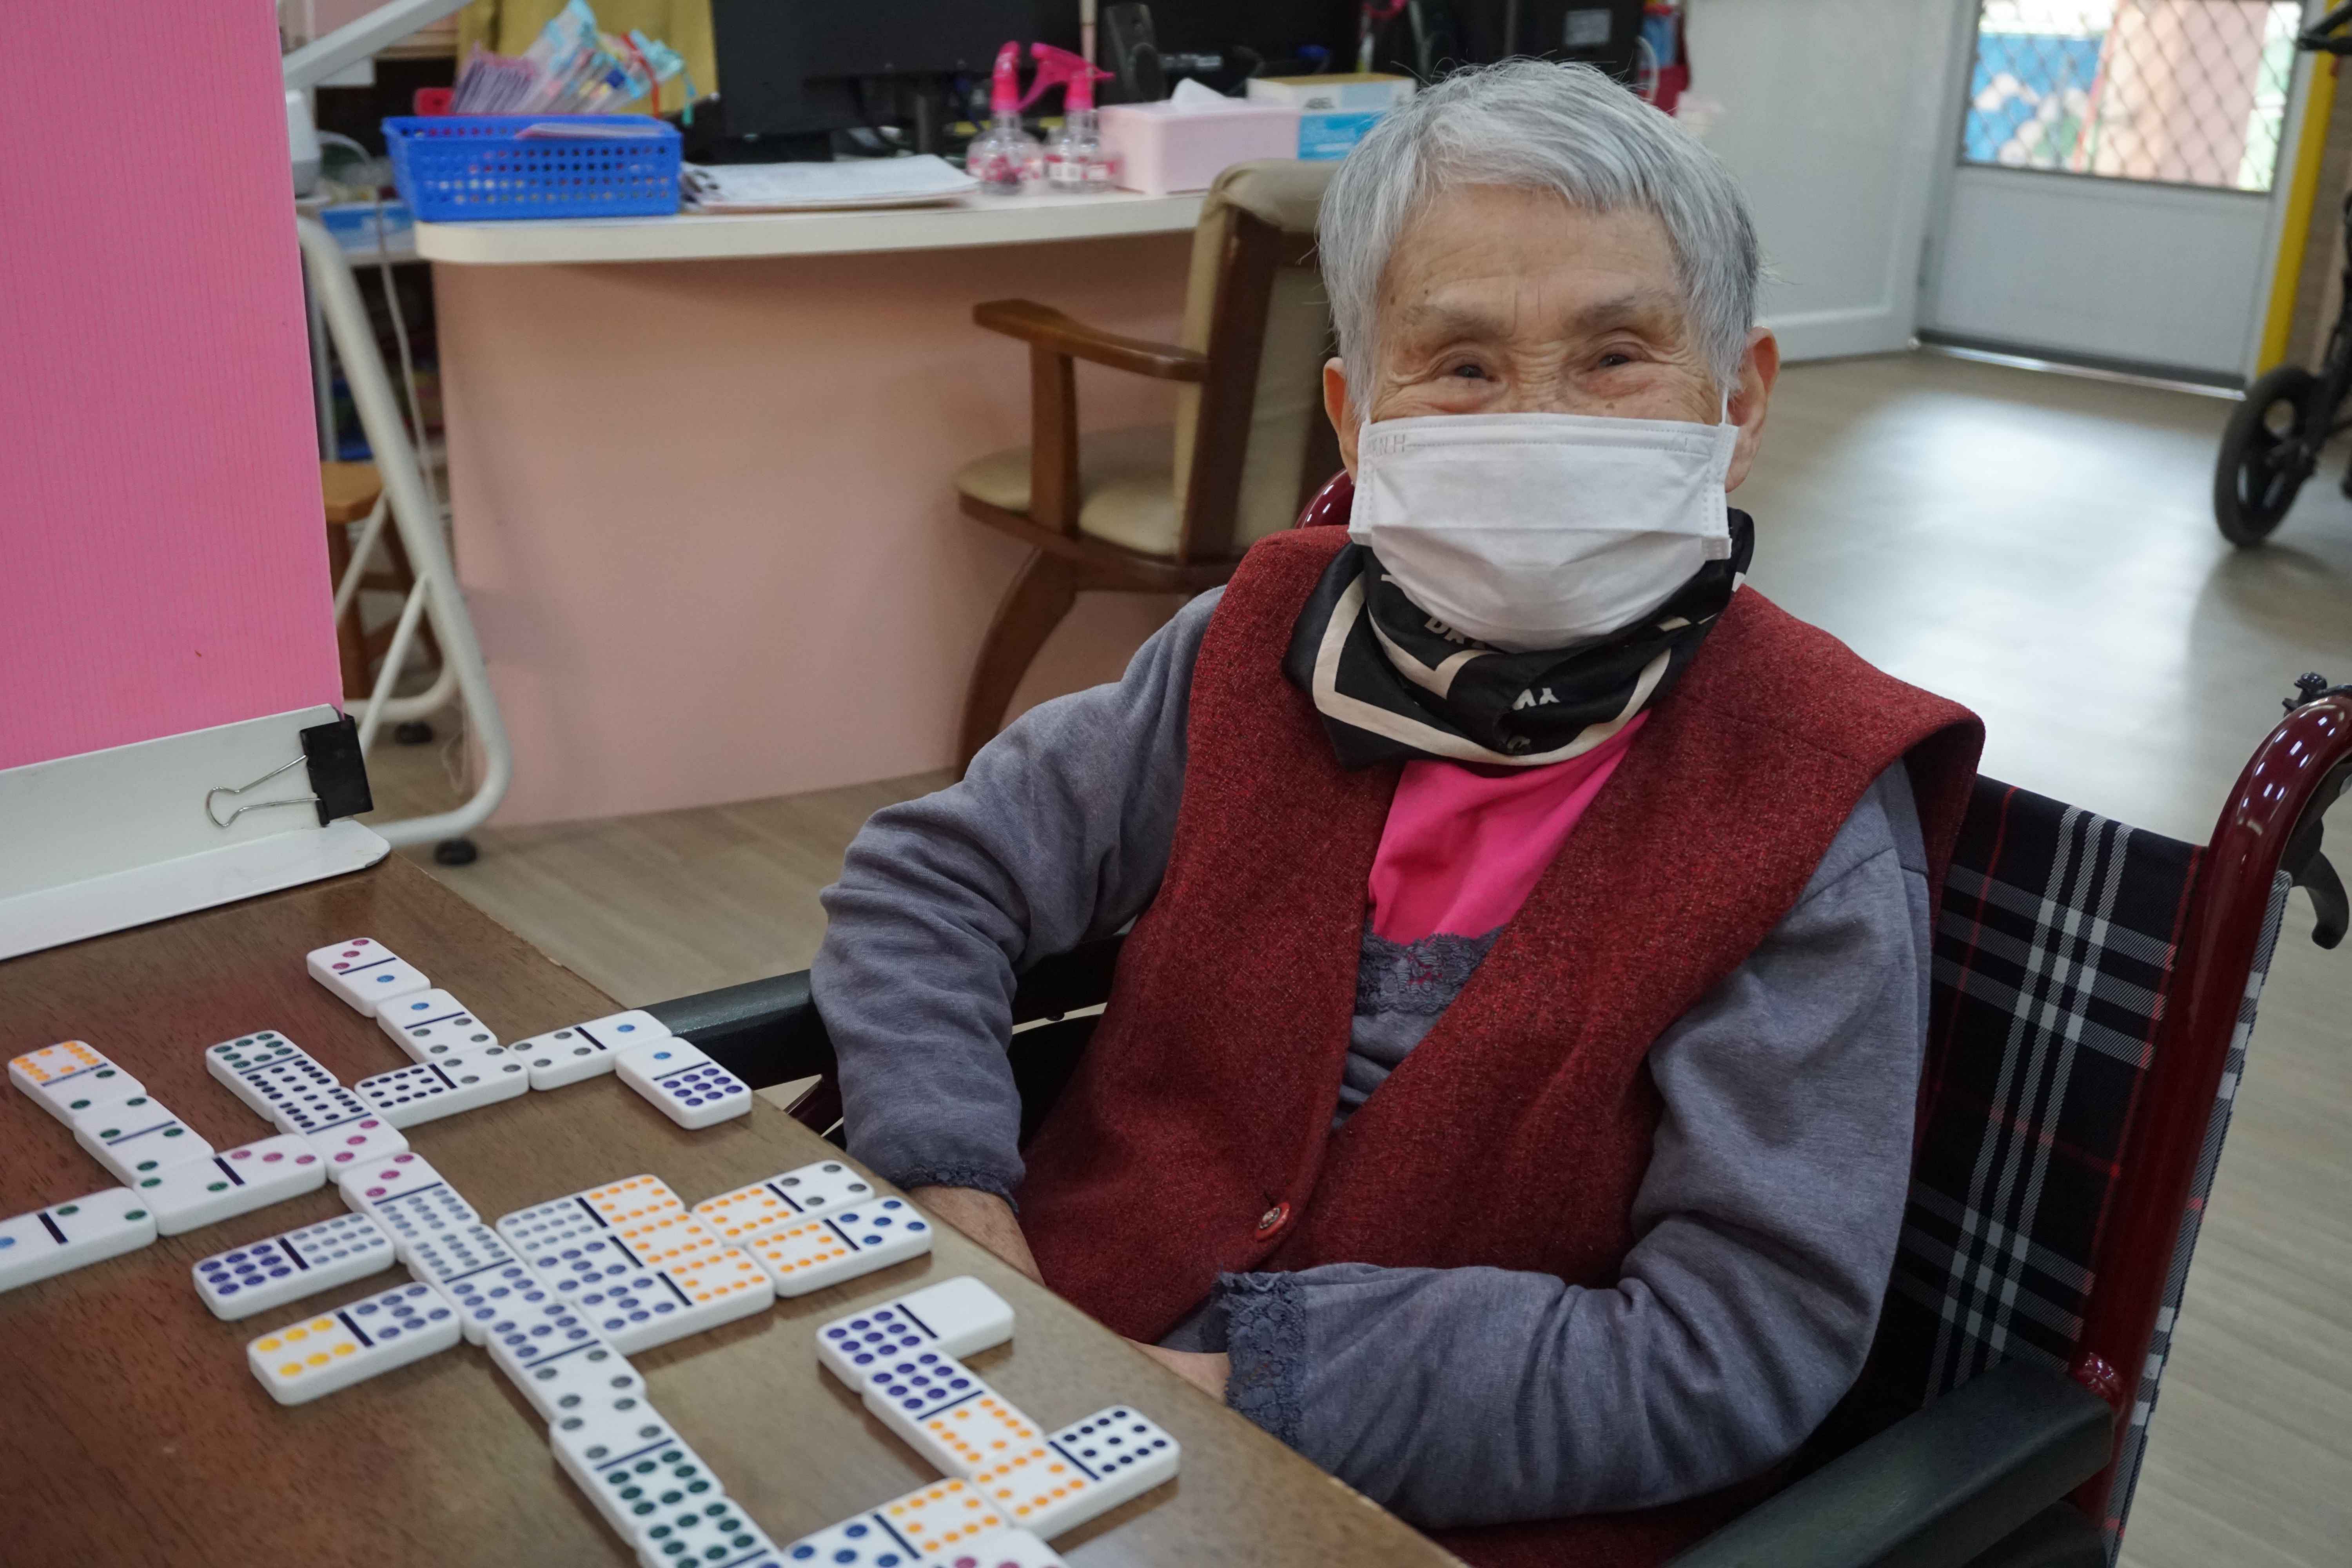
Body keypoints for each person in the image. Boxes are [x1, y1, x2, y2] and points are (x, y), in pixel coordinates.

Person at [813, 60, 1983, 1567]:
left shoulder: (1808, 798)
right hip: (1039, 1364)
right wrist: (954, 1189)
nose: (1539, 421)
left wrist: (1234, 1391)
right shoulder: (1251, 647)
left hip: (1439, 1516)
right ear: (1357, 419)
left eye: (1617, 355)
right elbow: (935, 881)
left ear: (1738, 402)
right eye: (1464, 366)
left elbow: (1736, 1350)